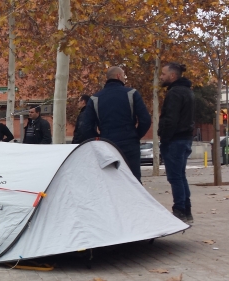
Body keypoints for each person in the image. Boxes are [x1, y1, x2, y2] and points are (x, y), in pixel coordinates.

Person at [80, 66, 151, 181]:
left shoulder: (95, 99)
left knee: (112, 181)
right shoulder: (132, 94)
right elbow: (145, 120)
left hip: (108, 144)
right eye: (124, 76)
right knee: (133, 180)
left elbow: (86, 127)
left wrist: (99, 139)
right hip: (129, 142)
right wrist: (135, 135)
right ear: (119, 76)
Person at [158, 62, 195, 223]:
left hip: (175, 140)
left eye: (163, 73)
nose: (161, 76)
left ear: (173, 76)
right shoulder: (187, 92)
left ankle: (179, 210)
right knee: (180, 176)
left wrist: (164, 139)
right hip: (185, 138)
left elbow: (170, 119)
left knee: (175, 177)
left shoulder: (174, 93)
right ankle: (186, 210)